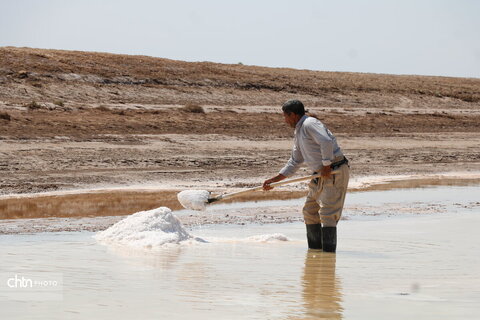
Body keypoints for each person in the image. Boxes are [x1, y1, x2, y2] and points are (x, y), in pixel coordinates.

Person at [263, 99, 349, 252]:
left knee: (328, 214)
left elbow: (326, 141)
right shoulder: (298, 130)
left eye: (285, 116)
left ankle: (328, 257)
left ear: (293, 115)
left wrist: (327, 164)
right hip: (320, 173)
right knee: (309, 211)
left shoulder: (310, 123)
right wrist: (274, 180)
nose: (284, 120)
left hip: (334, 170)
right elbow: (295, 161)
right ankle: (315, 251)